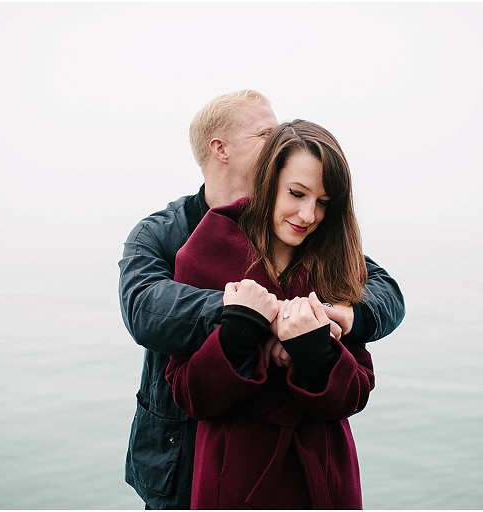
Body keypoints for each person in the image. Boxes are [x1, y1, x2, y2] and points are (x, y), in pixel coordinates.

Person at [119, 90, 404, 509]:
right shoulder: (165, 235)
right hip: (180, 452)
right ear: (221, 149)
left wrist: (340, 322)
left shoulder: (314, 239)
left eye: (321, 201)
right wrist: (243, 317)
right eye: (264, 134)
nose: (278, 142)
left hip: (313, 476)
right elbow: (145, 310)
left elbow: (381, 287)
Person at [166, 119, 374, 509]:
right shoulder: (203, 252)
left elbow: (357, 393)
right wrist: (239, 336)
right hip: (235, 478)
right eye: (297, 193)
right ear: (267, 181)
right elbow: (187, 394)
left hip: (324, 480)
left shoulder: (338, 260)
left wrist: (315, 352)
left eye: (323, 202)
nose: (308, 215)